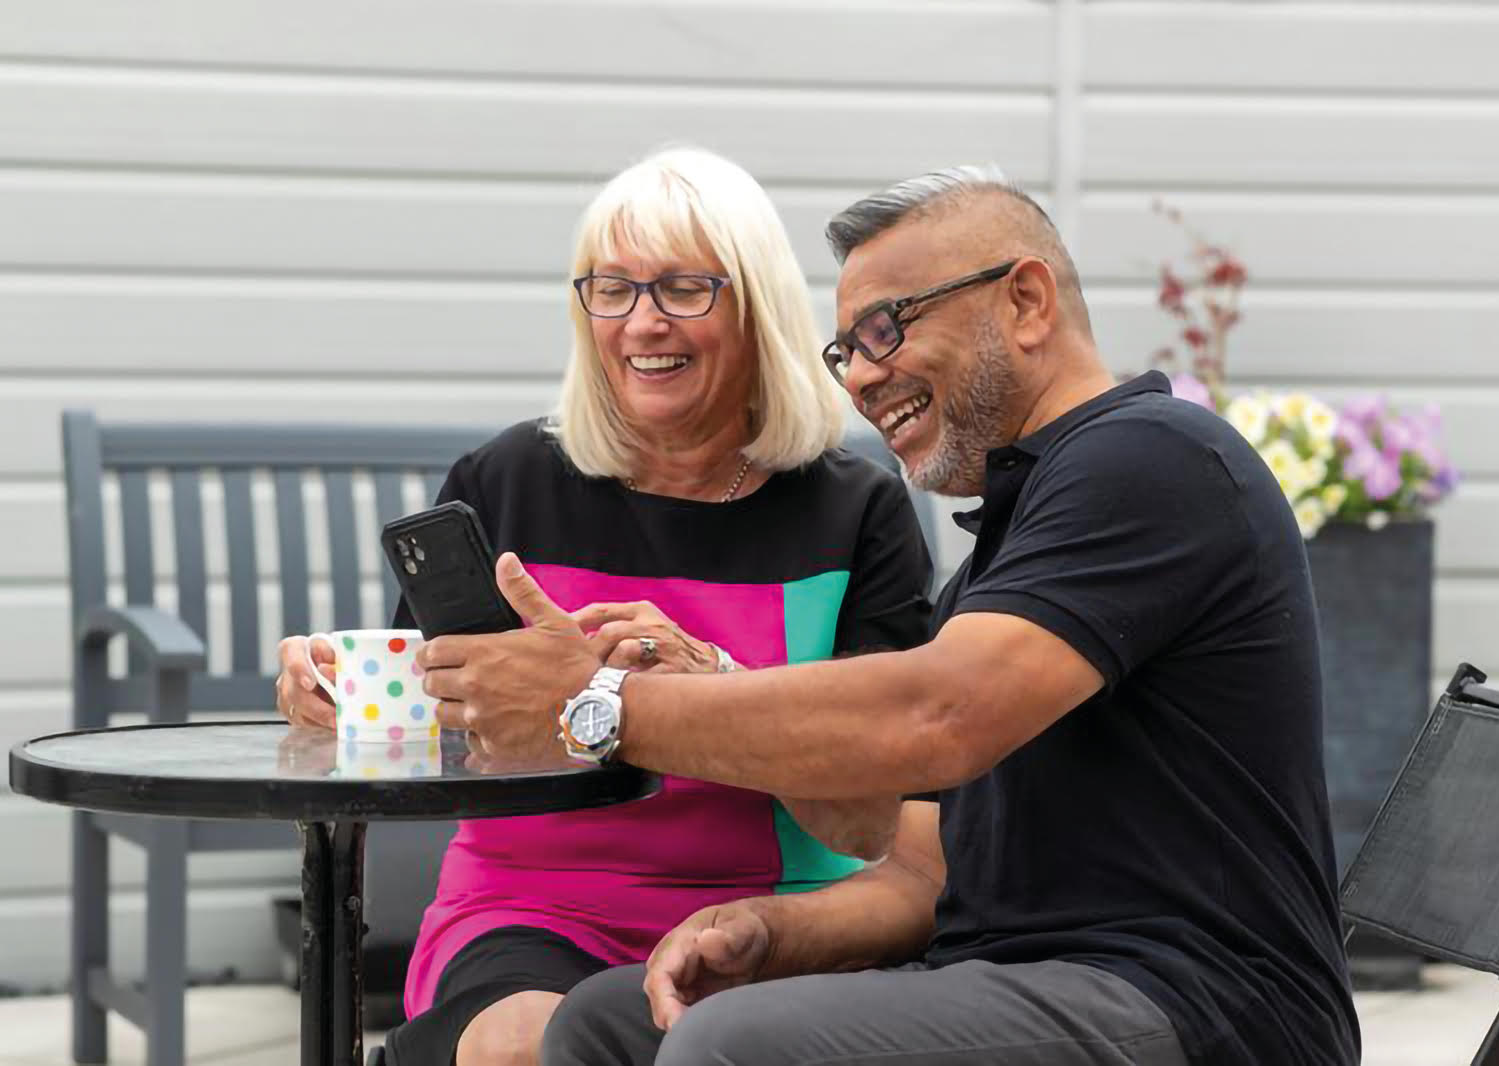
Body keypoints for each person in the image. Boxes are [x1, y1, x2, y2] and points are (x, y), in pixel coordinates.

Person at [421, 165, 1362, 1066]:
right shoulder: (1019, 532)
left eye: (886, 329)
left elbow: (933, 717)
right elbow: (921, 870)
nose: (863, 379)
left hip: (1193, 1002)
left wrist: (601, 700)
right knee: (604, 1025)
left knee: (724, 1046)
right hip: (1020, 976)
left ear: (1026, 301)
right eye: (847, 351)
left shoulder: (1151, 459)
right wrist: (764, 928)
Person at [272, 147, 933, 1066]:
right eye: (611, 289)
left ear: (756, 308)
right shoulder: (505, 484)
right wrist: (334, 697)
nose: (641, 322)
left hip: (778, 912)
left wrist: (716, 683)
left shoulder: (855, 511)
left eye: (682, 289)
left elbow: (868, 821)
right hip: (533, 902)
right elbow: (433, 727)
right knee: (527, 1049)